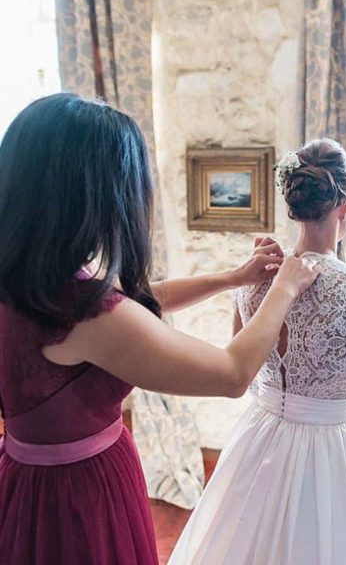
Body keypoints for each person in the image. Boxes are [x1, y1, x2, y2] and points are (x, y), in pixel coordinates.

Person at [0, 93, 319, 565]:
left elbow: (136, 305)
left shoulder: (27, 279)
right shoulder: (85, 315)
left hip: (23, 480)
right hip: (79, 496)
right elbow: (231, 373)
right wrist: (285, 289)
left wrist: (232, 278)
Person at [169, 138, 346, 564]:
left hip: (258, 436)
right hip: (332, 449)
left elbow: (244, 370)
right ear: (344, 208)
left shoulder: (257, 274)